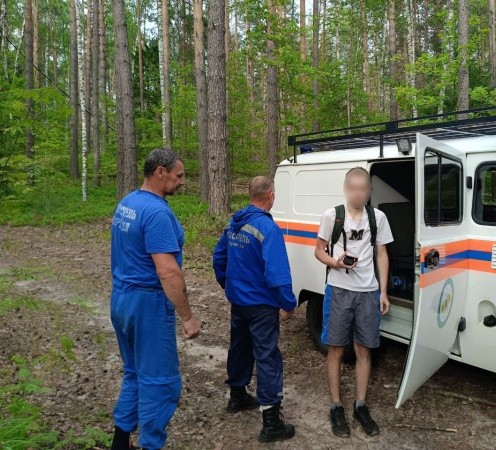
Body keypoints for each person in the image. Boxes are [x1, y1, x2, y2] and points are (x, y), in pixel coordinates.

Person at [110, 148, 201, 450]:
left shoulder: (128, 203)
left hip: (121, 299)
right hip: (147, 304)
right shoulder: (157, 213)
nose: (182, 182)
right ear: (160, 172)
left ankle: (120, 442)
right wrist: (187, 317)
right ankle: (150, 444)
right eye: (179, 176)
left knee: (135, 372)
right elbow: (168, 271)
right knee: (160, 383)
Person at [213, 176, 297, 443]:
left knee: (239, 347)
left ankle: (237, 396)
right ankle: (271, 423)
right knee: (267, 356)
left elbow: (219, 259)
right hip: (261, 306)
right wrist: (288, 303)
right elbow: (278, 275)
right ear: (270, 196)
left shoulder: (234, 223)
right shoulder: (267, 228)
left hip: (239, 303)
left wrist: (229, 285)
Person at [314, 166, 394, 438]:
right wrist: (335, 263)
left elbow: (382, 254)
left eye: (363, 189)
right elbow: (319, 250)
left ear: (369, 190)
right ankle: (336, 406)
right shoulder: (332, 216)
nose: (358, 193)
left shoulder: (378, 217)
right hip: (339, 290)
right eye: (353, 188)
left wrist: (383, 292)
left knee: (364, 349)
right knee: (336, 349)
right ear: (346, 189)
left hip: (368, 292)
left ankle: (361, 405)